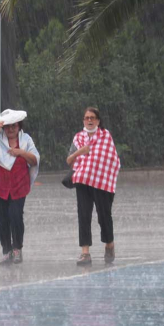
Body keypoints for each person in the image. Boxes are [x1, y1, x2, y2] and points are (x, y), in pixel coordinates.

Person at [0, 109, 40, 266]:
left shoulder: (26, 140)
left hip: (18, 186)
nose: (11, 129)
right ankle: (6, 251)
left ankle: (17, 248)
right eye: (7, 126)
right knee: (2, 219)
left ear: (19, 126)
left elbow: (34, 160)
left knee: (16, 216)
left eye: (14, 125)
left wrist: (20, 152)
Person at [66, 106, 121, 266]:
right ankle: (85, 252)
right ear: (83, 120)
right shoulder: (78, 138)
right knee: (84, 215)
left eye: (92, 117)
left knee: (104, 215)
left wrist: (95, 166)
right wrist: (79, 152)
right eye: (86, 118)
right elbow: (69, 161)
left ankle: (109, 244)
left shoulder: (105, 136)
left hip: (101, 182)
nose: (89, 120)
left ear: (98, 120)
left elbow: (111, 159)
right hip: (83, 181)